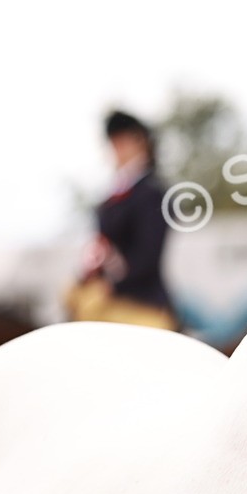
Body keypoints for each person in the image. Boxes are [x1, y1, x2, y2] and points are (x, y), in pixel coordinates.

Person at [65, 110, 178, 330]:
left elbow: (147, 257)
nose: (117, 149)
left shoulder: (152, 193)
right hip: (107, 293)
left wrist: (112, 286)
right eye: (114, 143)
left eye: (122, 142)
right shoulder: (112, 195)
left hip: (142, 301)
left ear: (140, 143)